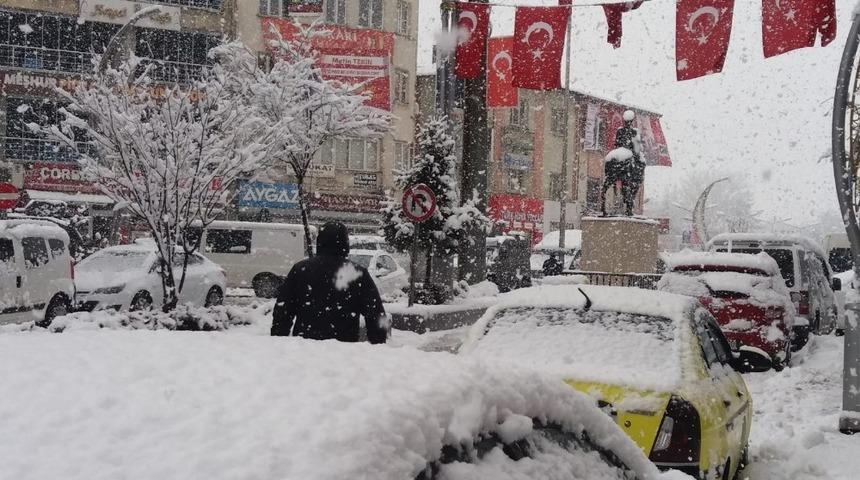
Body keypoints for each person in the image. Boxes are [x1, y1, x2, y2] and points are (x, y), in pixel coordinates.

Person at [271, 221, 388, 344]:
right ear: (345, 243)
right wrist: (378, 345)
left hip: (305, 347)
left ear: (320, 242)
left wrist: (278, 340)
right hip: (343, 348)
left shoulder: (300, 270)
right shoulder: (357, 273)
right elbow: (375, 315)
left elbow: (283, 310)